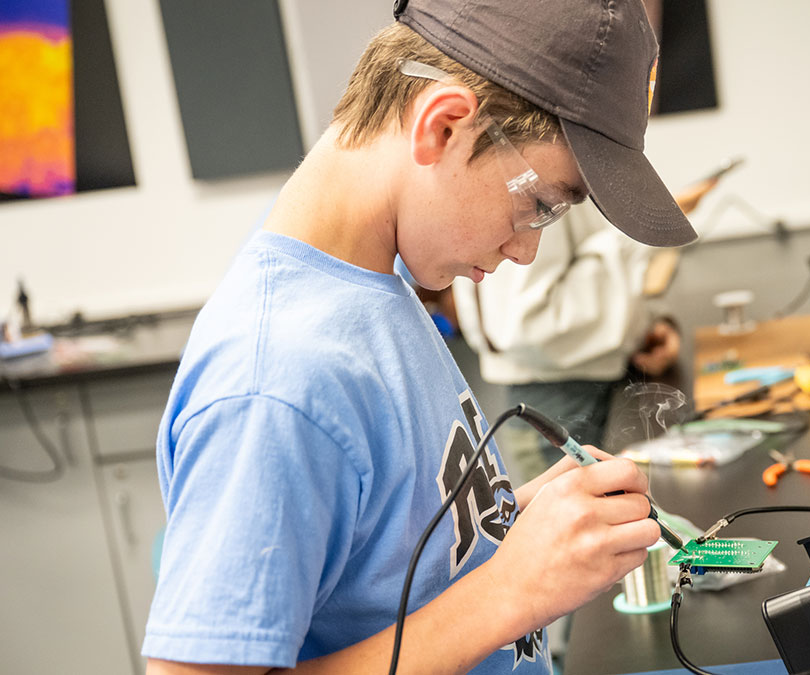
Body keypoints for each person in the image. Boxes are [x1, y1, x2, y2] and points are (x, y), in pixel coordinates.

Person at [143, 1, 697, 673]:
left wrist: (515, 528)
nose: (525, 252)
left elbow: (388, 563)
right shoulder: (277, 377)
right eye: (542, 204)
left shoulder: (375, 286)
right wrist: (510, 589)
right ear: (443, 127)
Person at [451, 179, 718, 485]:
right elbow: (525, 325)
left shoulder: (559, 172)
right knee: (571, 518)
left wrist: (646, 327)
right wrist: (635, 238)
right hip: (554, 393)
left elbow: (577, 276)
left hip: (585, 379)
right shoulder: (535, 181)